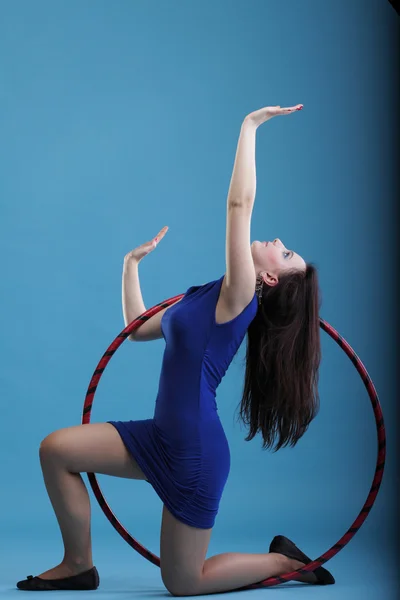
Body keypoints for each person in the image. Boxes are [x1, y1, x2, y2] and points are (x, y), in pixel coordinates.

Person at [17, 104, 335, 594]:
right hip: (160, 438)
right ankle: (78, 564)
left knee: (182, 582)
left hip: (194, 452)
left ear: (268, 279)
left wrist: (249, 127)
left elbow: (238, 207)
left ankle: (280, 562)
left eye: (286, 253)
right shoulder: (208, 295)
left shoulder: (240, 297)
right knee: (56, 450)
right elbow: (138, 329)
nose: (279, 240)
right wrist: (130, 265)